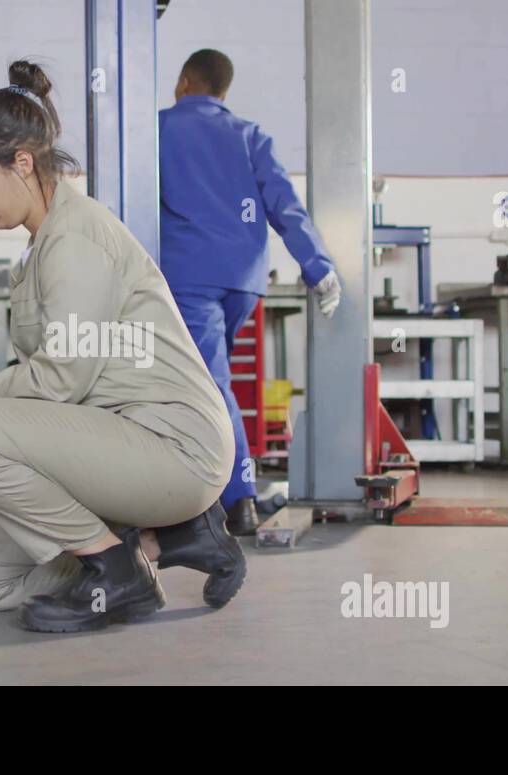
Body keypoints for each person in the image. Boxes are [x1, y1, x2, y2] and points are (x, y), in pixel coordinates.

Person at [0, 61, 246, 634]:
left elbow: (58, 382)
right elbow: (48, 391)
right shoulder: (42, 245)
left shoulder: (76, 239)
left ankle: (115, 569)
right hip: (113, 443)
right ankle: (154, 542)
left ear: (21, 163)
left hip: (172, 447)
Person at [160, 49, 342, 536]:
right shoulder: (250, 135)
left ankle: (238, 499)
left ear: (183, 82)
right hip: (243, 280)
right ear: (224, 92)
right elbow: (285, 204)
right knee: (210, 382)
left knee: (209, 387)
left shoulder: (155, 129)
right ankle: (208, 489)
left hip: (186, 278)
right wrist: (317, 266)